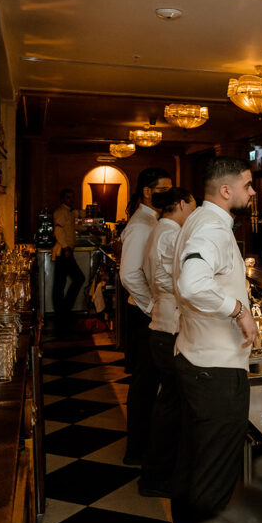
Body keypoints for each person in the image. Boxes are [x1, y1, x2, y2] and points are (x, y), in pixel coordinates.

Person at [171, 156, 258, 523]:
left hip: (194, 358)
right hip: (217, 373)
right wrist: (239, 309)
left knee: (191, 464)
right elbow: (192, 283)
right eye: (248, 185)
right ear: (226, 190)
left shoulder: (197, 220)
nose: (253, 192)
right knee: (214, 478)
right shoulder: (214, 229)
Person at [139, 187, 197, 498]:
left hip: (162, 320)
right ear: (183, 204)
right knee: (171, 404)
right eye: (193, 206)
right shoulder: (172, 234)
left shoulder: (160, 229)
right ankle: (157, 476)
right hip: (170, 324)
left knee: (168, 401)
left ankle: (158, 472)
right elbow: (184, 282)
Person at [119, 166, 173, 466]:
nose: (168, 193)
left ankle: (142, 445)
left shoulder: (153, 219)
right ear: (147, 192)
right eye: (163, 188)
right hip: (142, 313)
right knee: (144, 383)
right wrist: (151, 306)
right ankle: (137, 450)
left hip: (146, 311)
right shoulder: (142, 224)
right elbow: (129, 274)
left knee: (148, 381)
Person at [51, 188, 84, 338]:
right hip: (63, 251)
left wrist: (86, 228)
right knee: (75, 279)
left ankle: (63, 312)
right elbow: (58, 230)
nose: (71, 199)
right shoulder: (60, 212)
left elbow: (70, 227)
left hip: (66, 251)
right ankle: (63, 310)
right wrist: (65, 247)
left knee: (62, 282)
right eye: (68, 197)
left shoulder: (69, 213)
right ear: (62, 198)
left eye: (72, 197)